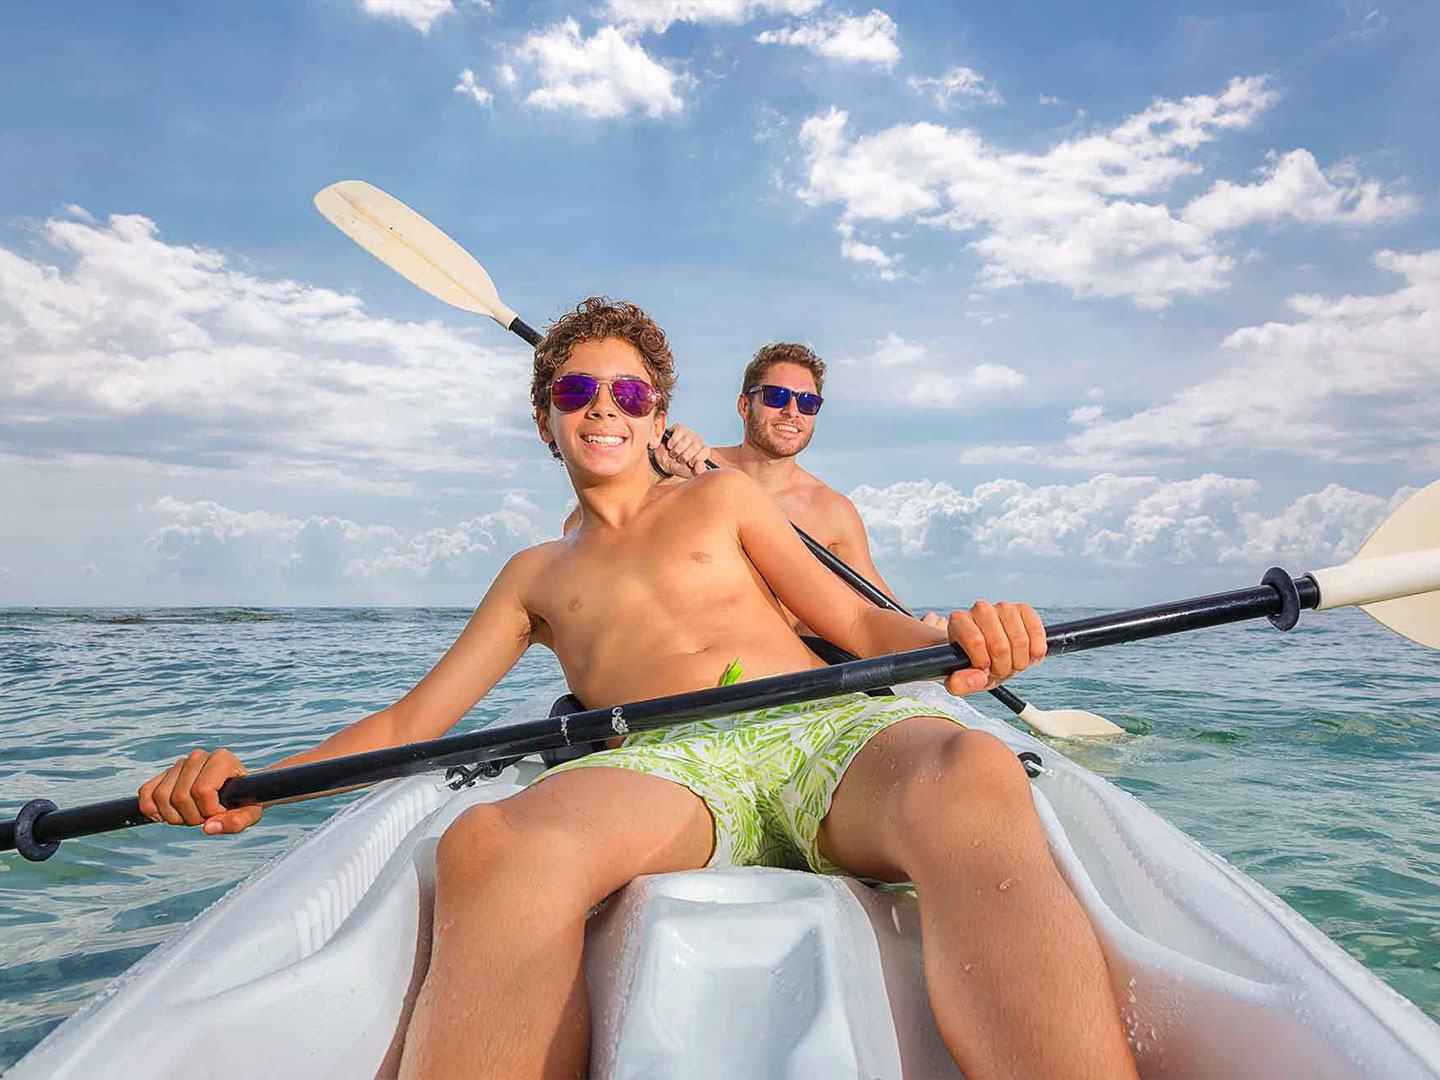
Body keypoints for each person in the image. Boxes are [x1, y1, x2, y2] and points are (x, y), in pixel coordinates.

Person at [138, 298, 1137, 1080]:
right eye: (576, 394)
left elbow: (864, 626)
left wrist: (955, 636)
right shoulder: (533, 576)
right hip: (669, 765)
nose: (603, 409)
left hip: (820, 731)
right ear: (546, 423)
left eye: (628, 394)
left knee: (969, 769)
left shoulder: (723, 496)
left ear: (659, 413)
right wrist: (253, 789)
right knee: (492, 845)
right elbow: (411, 722)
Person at [639, 341, 945, 631]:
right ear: (744, 405)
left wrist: (927, 633)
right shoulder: (689, 466)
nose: (792, 411)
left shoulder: (832, 511)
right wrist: (656, 467)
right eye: (776, 396)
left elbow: (877, 604)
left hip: (780, 673)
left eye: (808, 402)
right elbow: (608, 518)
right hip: (686, 661)